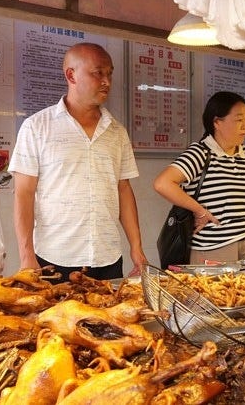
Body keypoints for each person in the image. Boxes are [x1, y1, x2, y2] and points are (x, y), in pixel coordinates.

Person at [9, 42, 147, 281]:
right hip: (54, 259)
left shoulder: (117, 132)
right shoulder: (37, 127)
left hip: (108, 258)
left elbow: (123, 189)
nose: (106, 81)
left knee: (110, 318)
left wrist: (136, 247)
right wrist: (26, 256)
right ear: (71, 75)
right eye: (98, 73)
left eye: (109, 73)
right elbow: (23, 193)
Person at [153, 91, 245, 264]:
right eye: (238, 120)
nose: (244, 126)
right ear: (217, 122)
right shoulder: (200, 153)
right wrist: (199, 210)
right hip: (212, 249)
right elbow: (163, 183)